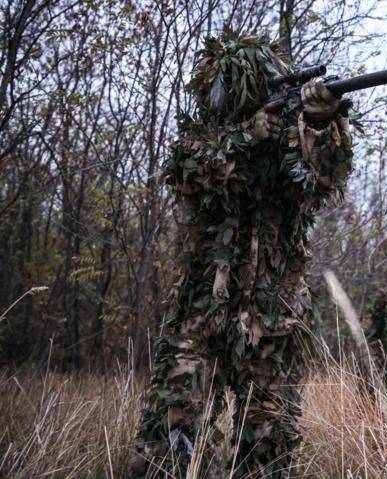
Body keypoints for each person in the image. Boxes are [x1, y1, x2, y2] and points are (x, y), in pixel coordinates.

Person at [131, 31, 353, 478]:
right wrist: (246, 136)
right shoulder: (206, 137)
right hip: (201, 311)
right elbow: (187, 172)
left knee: (267, 446)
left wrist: (320, 122)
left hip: (272, 317)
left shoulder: (295, 135)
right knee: (171, 434)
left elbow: (326, 179)